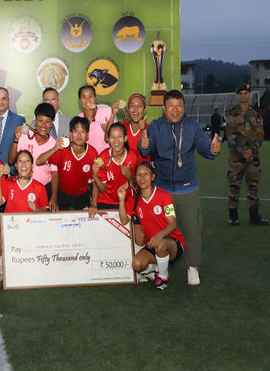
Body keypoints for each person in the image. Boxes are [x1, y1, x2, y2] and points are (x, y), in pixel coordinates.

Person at [139, 90, 221, 286]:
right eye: (171, 106)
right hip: (164, 193)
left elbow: (205, 149)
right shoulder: (157, 126)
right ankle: (160, 265)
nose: (175, 110)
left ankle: (193, 267)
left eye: (179, 106)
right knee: (161, 229)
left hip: (187, 191)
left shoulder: (192, 126)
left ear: (183, 107)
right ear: (164, 107)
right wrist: (143, 145)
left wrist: (212, 149)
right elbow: (145, 150)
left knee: (192, 229)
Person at [118, 162, 185, 290]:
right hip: (153, 245)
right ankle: (158, 268)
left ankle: (163, 278)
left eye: (146, 174)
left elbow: (172, 224)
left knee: (160, 244)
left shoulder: (164, 196)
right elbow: (124, 220)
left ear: (153, 177)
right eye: (138, 175)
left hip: (174, 244)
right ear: (135, 178)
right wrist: (121, 198)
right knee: (137, 265)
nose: (142, 177)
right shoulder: (135, 199)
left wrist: (159, 235)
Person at [0, 150, 48, 286]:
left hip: (31, 231)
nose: (24, 164)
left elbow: (45, 210)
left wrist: (36, 209)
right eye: (20, 161)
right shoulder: (8, 183)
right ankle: (1, 272)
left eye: (27, 161)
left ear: (32, 165)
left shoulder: (39, 187)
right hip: (10, 229)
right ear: (15, 165)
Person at [225, 83, 267, 226]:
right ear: (238, 96)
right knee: (234, 186)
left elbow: (260, 134)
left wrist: (252, 151)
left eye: (245, 93)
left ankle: (254, 216)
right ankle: (233, 216)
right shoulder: (232, 113)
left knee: (254, 186)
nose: (243, 95)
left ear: (250, 95)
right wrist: (243, 151)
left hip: (253, 157)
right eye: (241, 93)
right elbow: (229, 134)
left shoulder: (256, 113)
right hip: (237, 157)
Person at [36, 117, 98, 211]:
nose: (79, 135)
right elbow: (38, 161)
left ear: (87, 135)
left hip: (82, 195)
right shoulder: (63, 150)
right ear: (70, 133)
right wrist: (54, 149)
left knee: (86, 223)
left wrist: (94, 204)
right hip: (61, 195)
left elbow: (95, 181)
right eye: (76, 131)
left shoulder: (92, 153)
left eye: (82, 131)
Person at [9, 103, 59, 210]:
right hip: (23, 185)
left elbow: (55, 174)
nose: (43, 125)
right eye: (40, 120)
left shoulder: (54, 145)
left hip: (44, 189)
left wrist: (54, 196)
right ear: (35, 121)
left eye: (48, 121)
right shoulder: (24, 136)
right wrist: (16, 140)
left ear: (52, 124)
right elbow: (11, 160)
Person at [89, 122, 138, 218]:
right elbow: (102, 189)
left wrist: (129, 175)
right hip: (105, 201)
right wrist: (95, 176)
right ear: (108, 139)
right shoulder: (103, 158)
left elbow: (136, 185)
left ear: (125, 138)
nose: (116, 140)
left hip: (125, 201)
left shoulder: (133, 158)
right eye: (112, 137)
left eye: (119, 136)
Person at [76, 85, 116, 154]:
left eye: (90, 96)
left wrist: (108, 130)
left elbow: (116, 138)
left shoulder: (106, 112)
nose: (87, 100)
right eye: (84, 97)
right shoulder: (78, 119)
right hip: (88, 161)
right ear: (80, 100)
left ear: (95, 98)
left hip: (106, 158)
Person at [120, 94, 150, 162]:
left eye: (139, 106)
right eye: (132, 105)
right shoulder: (122, 126)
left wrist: (143, 130)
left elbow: (141, 150)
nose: (136, 109)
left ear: (145, 110)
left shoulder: (150, 128)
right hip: (125, 171)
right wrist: (113, 114)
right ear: (127, 109)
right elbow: (108, 139)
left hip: (142, 171)